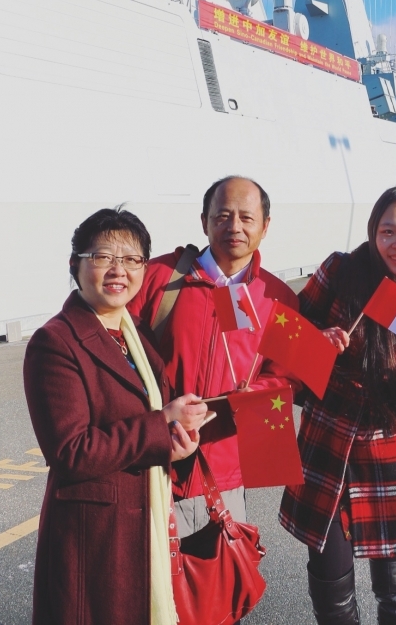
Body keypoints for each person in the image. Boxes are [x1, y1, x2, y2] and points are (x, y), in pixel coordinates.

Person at [279, 184, 396, 625]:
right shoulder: (341, 271)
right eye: (387, 231)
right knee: (329, 581)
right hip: (327, 449)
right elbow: (284, 337)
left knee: (395, 589)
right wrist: (315, 344)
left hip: (393, 455)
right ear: (373, 232)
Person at [23, 207, 208, 625]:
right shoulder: (55, 342)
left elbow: (153, 422)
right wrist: (160, 426)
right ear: (75, 265)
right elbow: (70, 451)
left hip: (144, 521)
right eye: (103, 257)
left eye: (131, 259)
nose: (118, 270)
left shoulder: (135, 331)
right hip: (93, 536)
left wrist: (177, 442)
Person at [128, 175, 299, 545]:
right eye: (222, 216)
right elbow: (116, 351)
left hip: (223, 476)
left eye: (247, 217)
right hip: (154, 462)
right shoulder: (158, 277)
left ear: (265, 226)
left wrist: (253, 396)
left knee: (219, 573)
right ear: (204, 221)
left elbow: (286, 377)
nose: (234, 226)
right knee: (147, 574)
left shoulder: (278, 298)